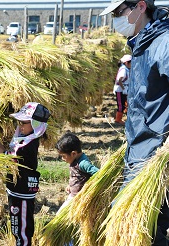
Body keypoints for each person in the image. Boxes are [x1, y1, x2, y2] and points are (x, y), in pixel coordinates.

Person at [100, 0, 169, 244]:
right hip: (139, 149)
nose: (116, 19)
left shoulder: (164, 43)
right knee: (136, 224)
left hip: (155, 154)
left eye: (119, 12)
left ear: (141, 6)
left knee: (141, 225)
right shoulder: (141, 44)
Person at [0, 102, 50, 246]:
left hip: (22, 192)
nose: (20, 126)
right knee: (18, 226)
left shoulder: (27, 146)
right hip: (17, 190)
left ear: (35, 124)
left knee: (22, 229)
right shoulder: (25, 139)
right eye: (19, 122)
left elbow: (6, 158)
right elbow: (7, 150)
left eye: (24, 123)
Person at [55, 132, 99, 214]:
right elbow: (76, 176)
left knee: (60, 214)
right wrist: (70, 185)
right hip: (73, 195)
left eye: (63, 156)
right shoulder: (75, 159)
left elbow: (98, 173)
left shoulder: (83, 164)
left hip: (77, 198)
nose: (62, 158)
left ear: (73, 153)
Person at [113, 54, 131, 124]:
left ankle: (124, 117)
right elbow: (119, 80)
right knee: (121, 105)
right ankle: (118, 119)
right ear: (126, 62)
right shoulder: (123, 69)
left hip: (124, 89)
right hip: (120, 90)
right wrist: (123, 88)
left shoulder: (126, 69)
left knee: (125, 104)